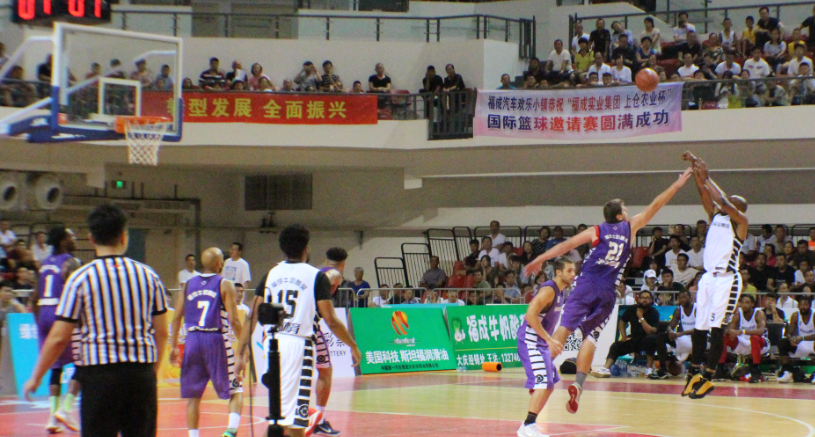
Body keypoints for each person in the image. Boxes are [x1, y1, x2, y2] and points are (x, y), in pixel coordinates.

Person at [523, 168, 691, 414]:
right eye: (625, 209)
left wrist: (540, 259)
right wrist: (677, 185)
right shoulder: (630, 227)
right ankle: (579, 385)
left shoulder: (597, 230)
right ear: (620, 215)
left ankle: (543, 375)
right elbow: (656, 205)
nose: (628, 211)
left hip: (585, 285)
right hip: (608, 292)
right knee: (591, 338)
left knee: (564, 330)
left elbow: (566, 245)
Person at [24, 204, 170, 437]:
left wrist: (36, 377)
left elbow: (59, 337)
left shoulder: (80, 279)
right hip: (140, 375)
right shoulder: (149, 276)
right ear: (124, 236)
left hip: (99, 378)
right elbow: (162, 333)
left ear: (91, 238)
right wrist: (151, 371)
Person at [236, 225, 360, 437]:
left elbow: (252, 315)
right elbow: (331, 320)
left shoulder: (270, 273)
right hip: (298, 346)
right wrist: (353, 345)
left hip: (272, 344)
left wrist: (240, 353)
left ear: (282, 248)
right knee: (295, 420)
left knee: (279, 416)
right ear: (306, 248)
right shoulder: (315, 276)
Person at [681, 151, 749, 400]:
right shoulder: (716, 217)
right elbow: (704, 194)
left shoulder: (741, 222)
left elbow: (722, 201)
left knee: (717, 328)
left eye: (731, 202)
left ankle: (709, 376)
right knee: (700, 327)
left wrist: (708, 177)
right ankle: (694, 373)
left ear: (738, 208)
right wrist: (696, 171)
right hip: (708, 278)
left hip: (727, 280)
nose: (725, 203)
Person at [169, 247, 244, 437]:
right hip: (215, 339)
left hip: (192, 340)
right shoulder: (224, 283)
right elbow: (234, 320)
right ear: (219, 263)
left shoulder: (188, 284)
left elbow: (176, 317)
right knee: (236, 389)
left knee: (193, 397)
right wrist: (245, 344)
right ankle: (231, 430)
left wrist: (173, 346)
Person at [28, 227, 82, 433]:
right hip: (62, 313)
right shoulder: (71, 262)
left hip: (43, 313)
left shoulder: (44, 264)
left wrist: (39, 321)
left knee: (56, 367)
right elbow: (77, 292)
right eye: (70, 236)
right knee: (84, 363)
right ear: (62, 241)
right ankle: (66, 409)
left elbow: (34, 297)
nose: (74, 239)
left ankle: (52, 417)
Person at [516, 258, 576, 437]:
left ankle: (529, 424)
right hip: (530, 342)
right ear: (558, 272)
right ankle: (527, 426)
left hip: (540, 343)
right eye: (569, 271)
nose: (573, 274)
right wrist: (549, 339)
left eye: (574, 271)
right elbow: (530, 315)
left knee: (549, 385)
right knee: (542, 383)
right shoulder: (549, 290)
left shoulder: (561, 292)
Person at [311, 247, 348, 436]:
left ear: (326, 260)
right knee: (325, 370)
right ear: (344, 264)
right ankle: (318, 419)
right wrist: (353, 346)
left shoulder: (314, 273)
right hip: (308, 328)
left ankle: (288, 419)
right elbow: (331, 276)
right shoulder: (333, 274)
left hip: (288, 327)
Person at [597, 289, 661, 377]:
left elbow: (650, 331)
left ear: (650, 300)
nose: (644, 300)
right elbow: (622, 322)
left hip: (647, 339)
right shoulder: (632, 309)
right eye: (642, 298)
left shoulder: (654, 312)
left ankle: (649, 368)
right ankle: (605, 368)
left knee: (651, 339)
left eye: (647, 298)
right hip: (634, 339)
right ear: (638, 299)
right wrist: (623, 335)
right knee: (615, 346)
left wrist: (641, 317)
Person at [719, 294, 767, 383]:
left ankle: (755, 369)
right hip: (744, 342)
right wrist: (730, 332)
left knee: (754, 337)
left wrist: (742, 331)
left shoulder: (759, 313)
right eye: (743, 303)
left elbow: (761, 331)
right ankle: (721, 367)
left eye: (747, 302)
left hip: (761, 344)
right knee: (725, 337)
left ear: (752, 304)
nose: (744, 305)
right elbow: (730, 329)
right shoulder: (738, 314)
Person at [651, 290, 696, 379]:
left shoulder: (697, 308)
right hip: (684, 340)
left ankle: (695, 370)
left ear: (690, 298)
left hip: (697, 340)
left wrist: (681, 333)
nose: (682, 300)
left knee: (697, 336)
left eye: (684, 297)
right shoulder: (678, 310)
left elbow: (699, 329)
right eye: (680, 298)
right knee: (661, 336)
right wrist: (670, 331)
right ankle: (663, 369)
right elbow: (670, 326)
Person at [777, 295, 814, 383]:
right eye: (801, 304)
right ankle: (787, 372)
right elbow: (789, 333)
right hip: (802, 344)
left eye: (805, 304)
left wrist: (803, 337)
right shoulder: (795, 315)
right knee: (783, 342)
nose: (803, 307)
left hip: (812, 342)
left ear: (810, 306)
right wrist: (791, 339)